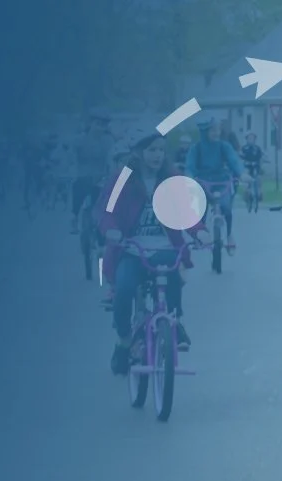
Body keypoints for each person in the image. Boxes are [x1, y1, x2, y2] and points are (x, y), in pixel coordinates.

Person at [96, 134, 210, 375]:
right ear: (137, 152)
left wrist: (200, 233)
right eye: (151, 150)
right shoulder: (122, 179)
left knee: (173, 282)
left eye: (160, 149)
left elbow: (187, 214)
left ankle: (173, 323)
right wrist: (112, 230)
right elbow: (105, 211)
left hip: (166, 248)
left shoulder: (170, 178)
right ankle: (124, 340)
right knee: (124, 290)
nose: (157, 155)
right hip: (131, 250)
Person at [184, 119, 251, 270]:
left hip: (222, 181)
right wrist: (188, 178)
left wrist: (242, 174)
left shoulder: (224, 146)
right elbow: (190, 166)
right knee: (200, 207)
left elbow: (234, 161)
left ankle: (228, 235)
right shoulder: (196, 148)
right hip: (203, 180)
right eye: (212, 130)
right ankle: (200, 234)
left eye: (218, 130)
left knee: (226, 207)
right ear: (204, 132)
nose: (216, 133)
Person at [72, 108, 115, 234]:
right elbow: (70, 158)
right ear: (90, 123)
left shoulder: (108, 141)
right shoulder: (79, 140)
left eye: (103, 125)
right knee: (79, 187)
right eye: (97, 124)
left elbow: (112, 158)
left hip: (101, 178)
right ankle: (74, 217)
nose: (99, 128)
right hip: (82, 176)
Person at [242, 132, 265, 205]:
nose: (251, 140)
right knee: (245, 177)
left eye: (253, 138)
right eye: (249, 138)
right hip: (247, 166)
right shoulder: (244, 148)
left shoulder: (257, 148)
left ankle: (259, 194)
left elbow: (261, 158)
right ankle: (247, 193)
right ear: (247, 139)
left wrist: (261, 165)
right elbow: (241, 157)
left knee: (258, 179)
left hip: (256, 166)